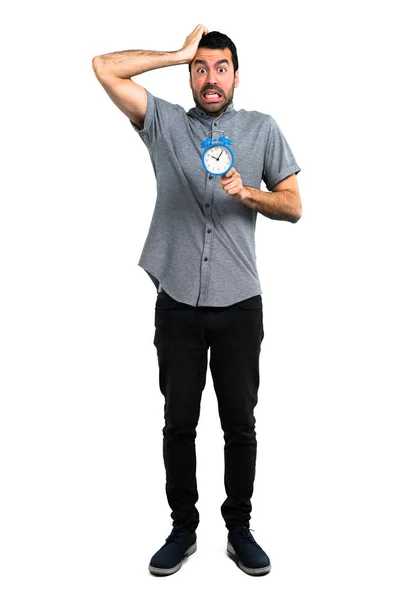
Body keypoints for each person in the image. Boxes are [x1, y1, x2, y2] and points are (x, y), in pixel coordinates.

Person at [92, 24, 302, 577]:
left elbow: (294, 205)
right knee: (178, 419)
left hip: (240, 302)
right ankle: (183, 528)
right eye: (201, 68)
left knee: (240, 422)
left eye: (220, 67)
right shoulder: (162, 124)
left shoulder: (262, 130)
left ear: (237, 75)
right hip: (178, 299)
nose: (211, 78)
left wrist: (248, 192)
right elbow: (103, 66)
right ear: (190, 75)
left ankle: (239, 529)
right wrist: (176, 51)